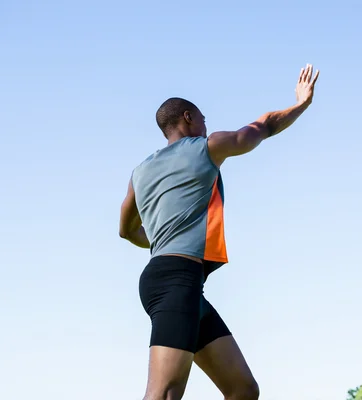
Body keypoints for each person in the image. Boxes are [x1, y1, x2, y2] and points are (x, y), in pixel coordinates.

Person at [119, 64, 320, 400]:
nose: (206, 125)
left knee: (242, 389)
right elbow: (262, 126)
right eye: (203, 119)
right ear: (188, 118)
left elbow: (126, 231)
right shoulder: (205, 147)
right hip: (175, 281)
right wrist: (301, 104)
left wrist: (158, 240)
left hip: (177, 281)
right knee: (164, 392)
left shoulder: (139, 173)